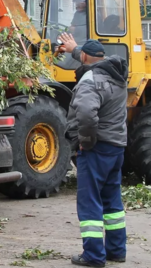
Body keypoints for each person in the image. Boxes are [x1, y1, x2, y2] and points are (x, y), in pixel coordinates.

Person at [58, 33, 129, 267]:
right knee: (112, 201)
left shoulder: (90, 80)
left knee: (90, 202)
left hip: (96, 148)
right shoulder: (117, 77)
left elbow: (87, 115)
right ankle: (116, 250)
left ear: (85, 57)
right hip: (116, 146)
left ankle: (93, 256)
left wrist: (85, 142)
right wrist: (75, 49)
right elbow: (92, 60)